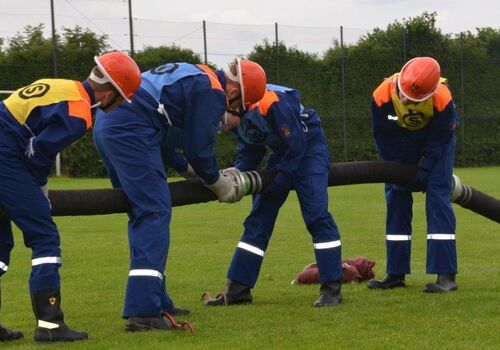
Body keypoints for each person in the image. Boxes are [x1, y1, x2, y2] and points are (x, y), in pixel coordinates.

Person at [93, 58, 267, 332]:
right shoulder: (213, 91)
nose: (231, 110)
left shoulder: (195, 73)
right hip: (129, 129)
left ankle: (156, 299)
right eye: (236, 106)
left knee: (143, 215)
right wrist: (218, 183)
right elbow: (198, 148)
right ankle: (143, 311)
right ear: (234, 93)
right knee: (153, 213)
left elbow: (162, 127)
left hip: (111, 124)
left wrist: (185, 168)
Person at [0, 51, 141, 342]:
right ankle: (50, 326)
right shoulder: (79, 113)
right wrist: (38, 189)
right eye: (120, 99)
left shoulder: (61, 85)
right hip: (5, 157)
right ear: (108, 94)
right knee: (44, 238)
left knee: (1, 244)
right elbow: (37, 153)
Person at [203, 84, 344, 308]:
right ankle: (238, 289)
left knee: (317, 216)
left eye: (222, 117)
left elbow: (298, 146)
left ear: (238, 105)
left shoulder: (273, 104)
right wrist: (235, 178)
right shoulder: (240, 109)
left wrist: (279, 180)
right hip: (284, 152)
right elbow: (250, 149)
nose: (220, 123)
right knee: (259, 218)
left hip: (308, 148)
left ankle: (332, 289)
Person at [368, 56, 459, 293]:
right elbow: (383, 138)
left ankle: (446, 275)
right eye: (404, 94)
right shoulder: (381, 95)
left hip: (436, 147)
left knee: (438, 200)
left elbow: (441, 138)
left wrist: (425, 167)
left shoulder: (442, 98)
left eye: (415, 99)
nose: (407, 100)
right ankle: (396, 273)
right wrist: (397, 170)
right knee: (396, 200)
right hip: (399, 147)